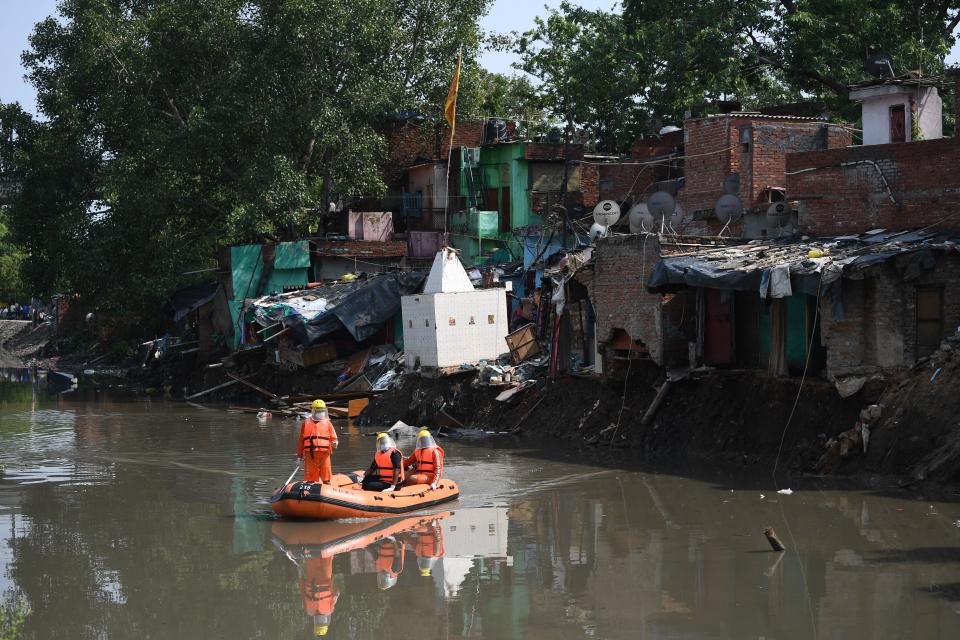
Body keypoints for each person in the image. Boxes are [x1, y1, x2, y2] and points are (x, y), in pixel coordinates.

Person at [298, 400, 338, 484]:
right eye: (318, 411)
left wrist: (334, 445)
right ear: (313, 411)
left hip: (324, 455)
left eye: (322, 411)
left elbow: (334, 439)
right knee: (309, 479)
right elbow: (301, 440)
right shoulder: (306, 423)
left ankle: (328, 492)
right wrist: (299, 456)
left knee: (326, 479)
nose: (320, 413)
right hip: (310, 455)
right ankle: (309, 494)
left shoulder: (328, 423)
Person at [299, 552, 338, 637]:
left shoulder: (329, 610)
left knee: (327, 556)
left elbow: (336, 594)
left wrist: (334, 586)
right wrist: (301, 577)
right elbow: (302, 590)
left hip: (325, 577)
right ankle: (311, 544)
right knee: (311, 556)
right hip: (312, 578)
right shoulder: (308, 610)